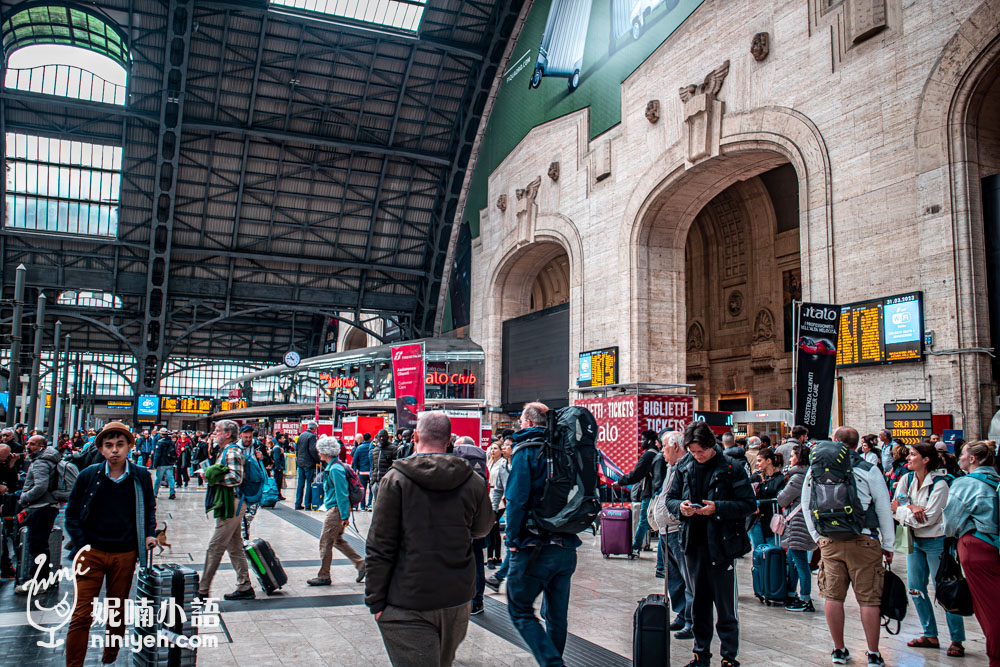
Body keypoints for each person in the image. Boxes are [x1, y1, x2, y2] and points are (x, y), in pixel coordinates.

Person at [365, 411, 492, 667]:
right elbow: (482, 528)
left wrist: (375, 601)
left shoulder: (396, 479)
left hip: (407, 599)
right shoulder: (474, 481)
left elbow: (380, 545)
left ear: (414, 436)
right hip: (456, 598)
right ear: (449, 441)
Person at [64, 422, 157, 667]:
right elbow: (71, 513)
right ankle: (74, 664)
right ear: (101, 450)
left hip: (125, 553)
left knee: (117, 612)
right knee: (82, 614)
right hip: (90, 553)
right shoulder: (89, 475)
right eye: (109, 446)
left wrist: (149, 534)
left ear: (129, 447)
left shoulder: (140, 476)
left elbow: (148, 509)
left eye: (119, 445)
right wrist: (82, 544)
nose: (114, 450)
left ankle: (110, 658)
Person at [801, 427, 895, 667]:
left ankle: (839, 649)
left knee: (833, 596)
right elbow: (883, 508)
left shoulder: (817, 469)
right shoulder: (868, 469)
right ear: (856, 444)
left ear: (835, 442)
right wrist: (888, 544)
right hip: (864, 539)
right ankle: (873, 653)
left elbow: (806, 504)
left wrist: (817, 537)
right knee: (869, 599)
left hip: (830, 540)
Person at [665, 421, 755, 667]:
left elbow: (748, 505)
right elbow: (670, 499)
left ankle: (729, 657)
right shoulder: (684, 467)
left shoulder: (731, 468)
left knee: (726, 608)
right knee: (699, 605)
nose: (697, 456)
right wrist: (681, 508)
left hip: (722, 546)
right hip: (693, 544)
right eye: (693, 452)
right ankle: (700, 655)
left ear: (711, 445)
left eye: (701, 451)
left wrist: (718, 509)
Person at [504, 402, 582, 666]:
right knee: (557, 617)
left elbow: (516, 499)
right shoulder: (566, 450)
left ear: (526, 423)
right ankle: (554, 659)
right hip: (566, 546)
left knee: (520, 609)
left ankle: (552, 664)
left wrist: (513, 540)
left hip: (534, 547)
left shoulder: (526, 451)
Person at [891, 441, 965, 656]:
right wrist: (912, 508)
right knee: (915, 587)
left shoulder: (940, 484)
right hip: (913, 540)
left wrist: (904, 510)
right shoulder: (907, 479)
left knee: (945, 588)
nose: (908, 458)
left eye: (913, 455)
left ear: (926, 459)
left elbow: (930, 518)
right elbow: (896, 504)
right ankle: (929, 633)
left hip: (936, 541)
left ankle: (957, 639)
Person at [943, 441, 1000, 666]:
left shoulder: (966, 483)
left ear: (973, 459)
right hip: (995, 545)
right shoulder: (996, 480)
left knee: (989, 607)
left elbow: (950, 524)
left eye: (963, 455)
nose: (960, 458)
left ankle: (995, 657)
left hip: (976, 547)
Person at [198, 420, 254, 601]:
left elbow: (236, 478)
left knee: (216, 546)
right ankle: (244, 585)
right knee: (235, 546)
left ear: (228, 434)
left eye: (217, 430)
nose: (214, 433)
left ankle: (202, 589)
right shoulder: (225, 451)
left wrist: (211, 478)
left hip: (233, 503)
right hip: (229, 502)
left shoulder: (232, 451)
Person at [653, 430, 694, 640]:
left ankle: (691, 620)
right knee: (674, 578)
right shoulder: (671, 468)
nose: (662, 451)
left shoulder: (686, 467)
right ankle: (681, 613)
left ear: (675, 446)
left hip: (678, 530)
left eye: (664, 447)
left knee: (687, 576)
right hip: (666, 531)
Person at [308, 436, 365, 586]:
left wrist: (344, 516)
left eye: (320, 451)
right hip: (338, 509)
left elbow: (342, 493)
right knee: (337, 540)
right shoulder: (335, 467)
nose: (319, 454)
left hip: (336, 511)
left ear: (326, 452)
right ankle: (361, 564)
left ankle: (324, 575)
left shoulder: (335, 469)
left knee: (325, 541)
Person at [14, 435, 65, 594]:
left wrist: (24, 498)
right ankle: (40, 579)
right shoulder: (50, 460)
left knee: (37, 545)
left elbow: (40, 487)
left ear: (42, 446)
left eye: (33, 444)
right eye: (28, 443)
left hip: (40, 507)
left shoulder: (41, 463)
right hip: (47, 506)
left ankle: (39, 581)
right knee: (40, 544)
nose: (28, 446)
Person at [776, 444, 817, 612]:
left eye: (792, 456)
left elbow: (782, 499)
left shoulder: (798, 477)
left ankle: (805, 599)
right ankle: (792, 593)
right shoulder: (808, 475)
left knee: (800, 562)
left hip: (798, 524)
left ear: (799, 458)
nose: (790, 459)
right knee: (793, 560)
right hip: (801, 523)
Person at [453, 435, 489, 615]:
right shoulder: (482, 465)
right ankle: (477, 601)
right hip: (479, 520)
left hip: (460, 521)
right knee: (477, 561)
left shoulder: (457, 466)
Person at [613, 430, 660, 558]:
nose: (641, 442)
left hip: (650, 492)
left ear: (650, 441)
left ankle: (635, 548)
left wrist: (620, 481)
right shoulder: (657, 453)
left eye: (643, 439)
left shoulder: (649, 455)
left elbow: (636, 473)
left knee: (643, 520)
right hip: (656, 491)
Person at [748, 447, 784, 552]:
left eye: (760, 460)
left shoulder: (780, 479)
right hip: (756, 520)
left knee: (772, 552)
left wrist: (758, 504)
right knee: (758, 552)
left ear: (769, 461)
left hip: (772, 521)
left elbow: (779, 500)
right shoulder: (755, 477)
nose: (757, 463)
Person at [485, 442, 506, 567]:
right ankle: (496, 556)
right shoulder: (490, 463)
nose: (493, 451)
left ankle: (491, 557)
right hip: (490, 496)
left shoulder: (503, 464)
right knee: (494, 528)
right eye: (491, 449)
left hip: (499, 498)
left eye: (495, 448)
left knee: (492, 526)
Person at [294, 421, 320, 510]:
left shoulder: (301, 435)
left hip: (300, 463)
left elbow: (297, 449)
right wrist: (318, 460)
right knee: (309, 484)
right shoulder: (312, 436)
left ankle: (297, 504)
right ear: (314, 429)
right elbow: (312, 450)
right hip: (308, 464)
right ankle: (307, 504)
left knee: (300, 484)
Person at [369, 429, 396, 508]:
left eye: (383, 437)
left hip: (387, 482)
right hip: (376, 482)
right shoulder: (375, 450)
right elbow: (374, 466)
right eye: (380, 437)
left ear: (387, 437)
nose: (381, 438)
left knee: (385, 505)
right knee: (375, 504)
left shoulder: (393, 448)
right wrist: (372, 481)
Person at [151, 429, 177, 499]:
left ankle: (155, 493)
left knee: (158, 479)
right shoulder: (171, 442)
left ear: (161, 434)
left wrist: (155, 464)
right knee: (171, 478)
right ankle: (172, 492)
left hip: (161, 463)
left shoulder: (160, 443)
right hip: (170, 463)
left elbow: (157, 455)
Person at [351, 432, 373, 510]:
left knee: (362, 489)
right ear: (370, 438)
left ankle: (362, 506)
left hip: (362, 472)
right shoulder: (373, 447)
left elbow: (354, 461)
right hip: (371, 472)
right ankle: (370, 504)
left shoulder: (359, 448)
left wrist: (358, 469)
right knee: (371, 489)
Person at [270, 434, 287, 500]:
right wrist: (278, 467)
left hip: (278, 467)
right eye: (282, 438)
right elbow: (276, 458)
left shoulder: (278, 447)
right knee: (278, 481)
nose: (284, 439)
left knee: (279, 481)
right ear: (279, 439)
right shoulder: (277, 448)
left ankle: (279, 494)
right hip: (278, 468)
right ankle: (277, 495)